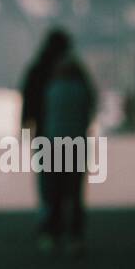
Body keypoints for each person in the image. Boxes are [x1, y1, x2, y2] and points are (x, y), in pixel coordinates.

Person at [20, 30, 98, 256]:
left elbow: (28, 105)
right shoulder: (77, 73)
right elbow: (90, 104)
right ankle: (74, 234)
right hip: (75, 140)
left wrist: (25, 130)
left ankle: (50, 232)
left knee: (50, 187)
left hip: (46, 138)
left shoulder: (37, 70)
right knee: (73, 188)